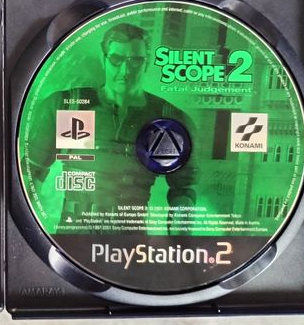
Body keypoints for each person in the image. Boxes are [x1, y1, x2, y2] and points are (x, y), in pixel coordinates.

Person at [25, 23, 195, 231]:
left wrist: (180, 240)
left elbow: (184, 190)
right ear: (104, 59)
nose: (125, 71)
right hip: (74, 235)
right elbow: (31, 174)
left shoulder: (169, 118)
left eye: (135, 60)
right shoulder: (67, 105)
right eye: (116, 59)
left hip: (132, 238)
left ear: (147, 62)